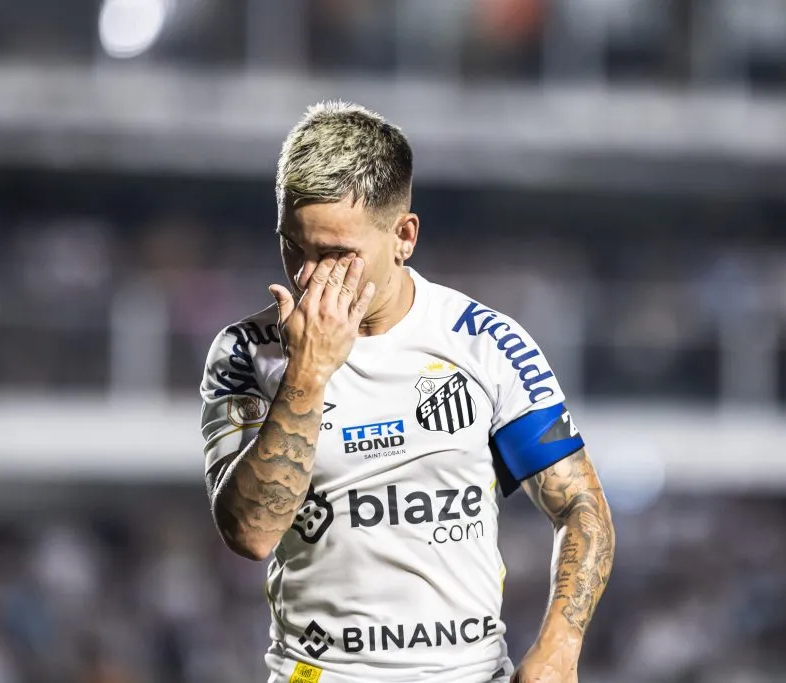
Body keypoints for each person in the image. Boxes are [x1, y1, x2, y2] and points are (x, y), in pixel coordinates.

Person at [199, 101, 615, 683]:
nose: (313, 276)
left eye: (339, 254)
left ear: (404, 236)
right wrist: (308, 374)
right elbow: (252, 533)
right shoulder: (247, 352)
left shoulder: (486, 344)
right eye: (297, 247)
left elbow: (581, 506)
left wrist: (560, 646)